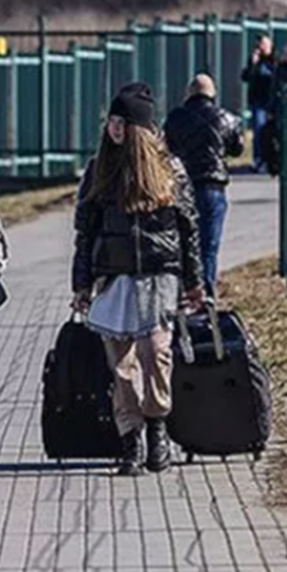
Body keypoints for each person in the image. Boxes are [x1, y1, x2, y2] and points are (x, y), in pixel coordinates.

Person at [72, 82, 204, 476]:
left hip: (159, 275)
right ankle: (131, 437)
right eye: (112, 121)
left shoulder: (169, 170)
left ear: (142, 129)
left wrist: (195, 282)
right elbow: (86, 232)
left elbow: (188, 227)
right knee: (122, 363)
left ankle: (158, 423)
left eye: (123, 122)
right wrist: (81, 285)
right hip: (113, 277)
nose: (115, 129)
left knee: (156, 352)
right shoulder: (100, 170)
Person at [164, 74, 245, 296]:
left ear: (188, 93)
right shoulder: (227, 118)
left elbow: (165, 149)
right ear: (213, 94)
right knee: (208, 248)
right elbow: (237, 148)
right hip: (212, 188)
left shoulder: (175, 118)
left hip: (182, 187)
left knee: (181, 244)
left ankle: (182, 294)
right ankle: (206, 297)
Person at [240, 34, 276, 172]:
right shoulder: (256, 61)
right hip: (259, 101)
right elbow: (245, 76)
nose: (261, 48)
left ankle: (272, 160)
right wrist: (253, 64)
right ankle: (259, 160)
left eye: (263, 45)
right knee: (259, 131)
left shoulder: (274, 60)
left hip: (272, 101)